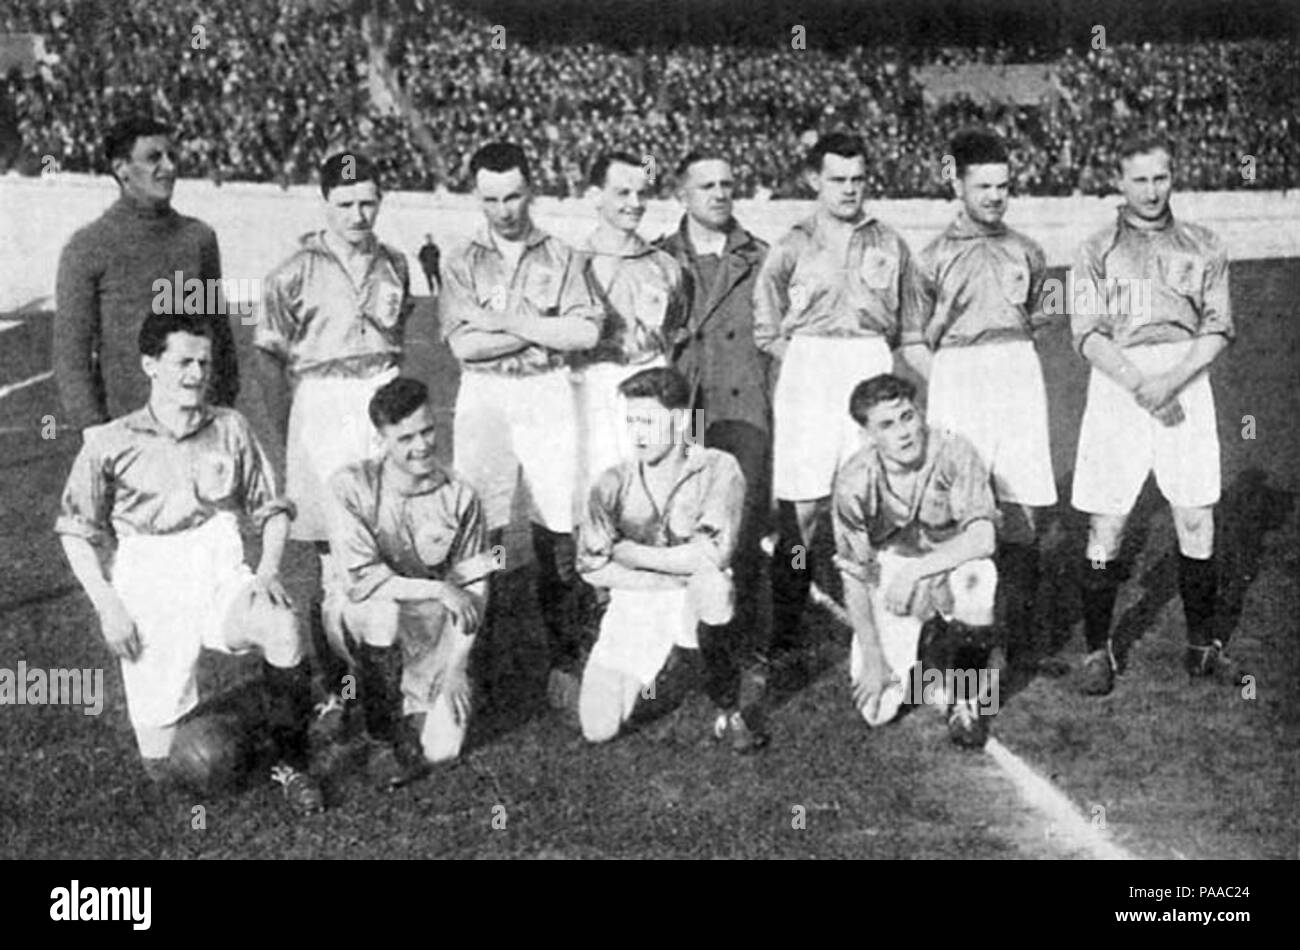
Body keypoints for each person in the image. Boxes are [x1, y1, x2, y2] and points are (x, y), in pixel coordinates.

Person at [54, 313, 323, 813]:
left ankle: (294, 764)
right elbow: (75, 532)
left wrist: (267, 571)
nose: (196, 373)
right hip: (147, 579)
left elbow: (273, 509)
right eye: (183, 362)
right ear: (150, 364)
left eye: (204, 362)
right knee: (164, 763)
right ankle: (264, 716)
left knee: (281, 626)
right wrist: (107, 605)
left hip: (218, 562)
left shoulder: (230, 427)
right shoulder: (111, 441)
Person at [1070, 134, 1238, 694]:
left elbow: (1217, 328)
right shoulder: (1095, 249)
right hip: (1118, 384)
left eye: (1160, 178)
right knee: (1109, 522)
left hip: (1187, 381)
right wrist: (1142, 383)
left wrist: (1171, 380)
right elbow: (1088, 334)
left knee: (1195, 516)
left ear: (1174, 177)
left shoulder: (1204, 244)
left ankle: (1202, 647)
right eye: (1138, 179)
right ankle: (1098, 650)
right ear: (1119, 182)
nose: (1150, 190)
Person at [753, 132, 923, 685]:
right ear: (814, 181)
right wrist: (808, 363)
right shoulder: (790, 245)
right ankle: (784, 638)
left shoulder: (890, 243)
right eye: (837, 179)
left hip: (869, 366)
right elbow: (767, 326)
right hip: (808, 372)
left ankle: (891, 631)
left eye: (857, 179)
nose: (849, 189)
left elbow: (907, 323)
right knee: (801, 514)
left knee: (879, 501)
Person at [253, 150, 414, 723]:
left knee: (390, 541)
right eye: (345, 204)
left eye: (368, 202)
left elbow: (400, 332)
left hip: (382, 401)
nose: (358, 214)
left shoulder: (396, 262)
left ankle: (394, 679)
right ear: (325, 203)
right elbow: (269, 360)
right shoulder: (292, 271)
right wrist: (292, 430)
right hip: (322, 405)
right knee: (333, 561)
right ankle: (339, 689)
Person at [439, 142, 603, 685]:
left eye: (513, 196)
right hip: (484, 396)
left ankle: (564, 655)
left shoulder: (563, 254)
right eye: (491, 199)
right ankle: (478, 657)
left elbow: (584, 332)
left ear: (530, 189)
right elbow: (463, 348)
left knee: (558, 519)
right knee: (479, 522)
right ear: (476, 196)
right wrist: (540, 325)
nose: (504, 210)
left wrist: (503, 321)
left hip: (546, 391)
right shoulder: (460, 258)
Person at [910, 129, 1055, 673]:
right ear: (958, 183)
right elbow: (913, 337)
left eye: (1004, 185)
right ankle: (945, 630)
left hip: (1017, 373)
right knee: (953, 509)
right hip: (958, 376)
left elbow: (1039, 319)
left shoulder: (1029, 251)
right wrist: (949, 375)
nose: (996, 196)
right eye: (984, 185)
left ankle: (1015, 637)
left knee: (1022, 508)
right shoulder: (929, 259)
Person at [564, 367, 763, 750]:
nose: (637, 433)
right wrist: (663, 578)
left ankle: (727, 708)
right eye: (631, 421)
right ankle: (666, 664)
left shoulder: (718, 467)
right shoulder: (611, 482)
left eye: (648, 421)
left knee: (714, 584)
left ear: (679, 419)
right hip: (638, 596)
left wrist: (628, 551)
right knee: (598, 727)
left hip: (695, 592)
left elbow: (712, 552)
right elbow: (591, 566)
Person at [327, 378, 492, 788]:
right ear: (380, 438)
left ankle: (390, 698)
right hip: (364, 610)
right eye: (405, 438)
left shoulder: (461, 494)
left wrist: (457, 668)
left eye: (427, 430)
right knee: (382, 612)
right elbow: (364, 582)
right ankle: (381, 737)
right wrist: (439, 589)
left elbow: (475, 588)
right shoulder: (350, 486)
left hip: (429, 628)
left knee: (442, 750)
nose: (421, 446)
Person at [656, 150, 771, 732]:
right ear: (682, 193)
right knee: (679, 523)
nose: (720, 194)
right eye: (706, 186)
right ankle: (680, 643)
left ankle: (745, 646)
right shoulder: (658, 257)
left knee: (741, 530)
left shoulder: (761, 258)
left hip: (742, 409)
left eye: (728, 184)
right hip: (687, 410)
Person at [832, 374, 999, 748]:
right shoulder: (854, 480)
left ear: (921, 413)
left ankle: (966, 697)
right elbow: (854, 576)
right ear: (867, 434)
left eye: (908, 417)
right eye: (887, 425)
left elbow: (983, 538)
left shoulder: (954, 451)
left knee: (978, 577)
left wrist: (921, 571)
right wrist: (874, 659)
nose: (904, 433)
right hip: (892, 569)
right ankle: (930, 644)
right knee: (877, 710)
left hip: (949, 561)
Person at [54, 116, 238, 432]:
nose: (169, 167)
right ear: (121, 168)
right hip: (126, 429)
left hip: (197, 427)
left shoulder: (198, 239)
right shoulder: (88, 246)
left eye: (172, 156)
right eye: (154, 158)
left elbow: (219, 334)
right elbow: (72, 354)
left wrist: (220, 413)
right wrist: (95, 431)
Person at [573, 150, 687, 494]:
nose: (635, 203)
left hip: (650, 378)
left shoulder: (666, 266)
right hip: (595, 384)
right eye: (623, 193)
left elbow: (674, 327)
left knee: (656, 484)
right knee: (599, 485)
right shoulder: (574, 263)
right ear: (595, 196)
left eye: (642, 193)